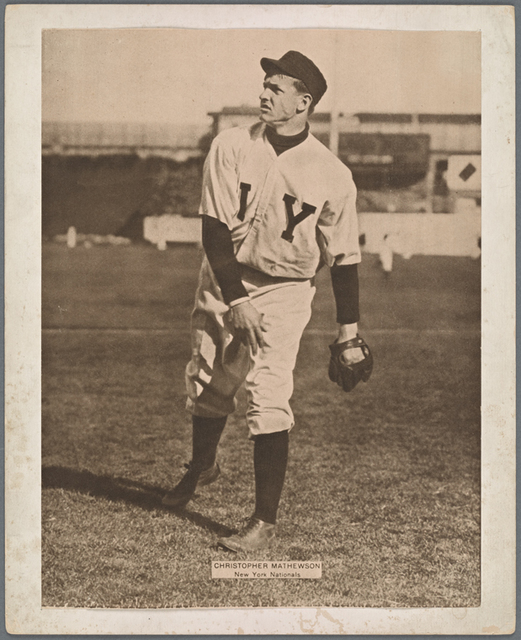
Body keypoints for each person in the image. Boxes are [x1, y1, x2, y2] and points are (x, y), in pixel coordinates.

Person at [162, 51, 369, 552]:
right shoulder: (231, 145)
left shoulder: (331, 172)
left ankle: (263, 521)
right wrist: (235, 298)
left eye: (277, 88)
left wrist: (350, 334)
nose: (264, 94)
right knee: (209, 379)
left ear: (304, 101)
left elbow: (344, 257)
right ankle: (204, 465)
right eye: (265, 84)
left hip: (285, 290)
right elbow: (213, 228)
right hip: (224, 276)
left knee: (268, 393)